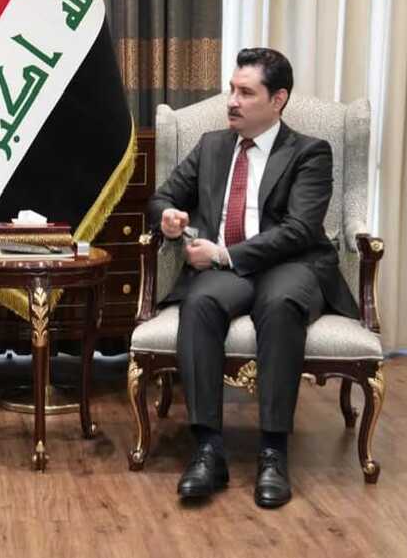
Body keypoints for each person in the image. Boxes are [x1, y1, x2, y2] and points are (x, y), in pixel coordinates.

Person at [148, 48, 358, 508]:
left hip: (292, 265)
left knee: (280, 305)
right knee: (199, 303)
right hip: (229, 269)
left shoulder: (309, 152)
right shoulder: (212, 146)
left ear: (277, 99)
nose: (232, 101)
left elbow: (299, 230)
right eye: (231, 90)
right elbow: (163, 196)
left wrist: (223, 254)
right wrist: (168, 218)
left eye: (246, 92)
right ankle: (208, 450)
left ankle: (273, 453)